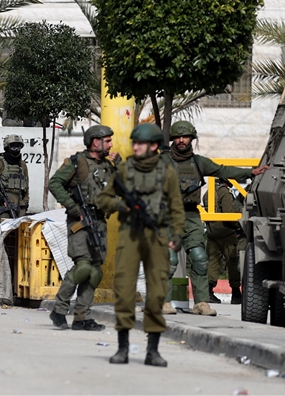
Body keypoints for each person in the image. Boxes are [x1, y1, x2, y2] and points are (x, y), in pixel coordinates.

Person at [97, 123, 184, 367]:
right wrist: (121, 205)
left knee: (157, 292)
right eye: (134, 143)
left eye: (140, 144)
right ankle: (122, 348)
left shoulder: (166, 172)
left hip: (157, 235)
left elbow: (176, 207)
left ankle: (152, 351)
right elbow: (103, 198)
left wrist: (177, 235)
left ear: (154, 146)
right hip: (130, 235)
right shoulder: (124, 170)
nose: (135, 147)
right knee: (124, 290)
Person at [160, 120, 268, 316]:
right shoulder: (162, 161)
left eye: (185, 137)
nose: (182, 140)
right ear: (173, 139)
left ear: (192, 138)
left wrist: (250, 172)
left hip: (191, 215)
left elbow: (223, 171)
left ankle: (201, 302)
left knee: (200, 258)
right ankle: (163, 302)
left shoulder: (199, 162)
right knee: (169, 259)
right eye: (178, 137)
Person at [48, 125, 120, 331]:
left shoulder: (108, 166)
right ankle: (59, 309)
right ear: (95, 142)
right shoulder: (76, 162)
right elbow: (54, 183)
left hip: (99, 221)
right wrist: (72, 206)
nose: (111, 145)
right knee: (83, 267)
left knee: (95, 271)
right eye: (107, 141)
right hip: (79, 221)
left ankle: (82, 317)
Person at [203, 178, 245, 304]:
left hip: (212, 232)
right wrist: (239, 227)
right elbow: (229, 214)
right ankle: (236, 293)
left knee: (213, 262)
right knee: (232, 261)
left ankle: (208, 291)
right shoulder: (225, 192)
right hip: (226, 232)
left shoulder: (209, 192)